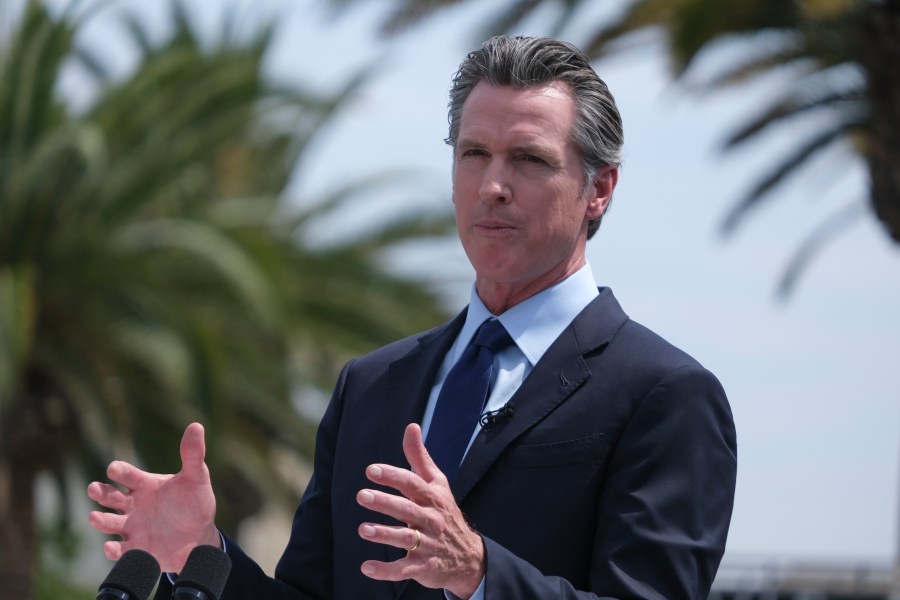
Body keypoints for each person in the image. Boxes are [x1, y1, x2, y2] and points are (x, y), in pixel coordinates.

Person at [88, 35, 737, 599]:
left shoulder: (664, 395)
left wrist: (478, 571)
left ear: (599, 189)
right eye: (474, 154)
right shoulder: (370, 385)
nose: (493, 186)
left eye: (530, 159)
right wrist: (205, 554)